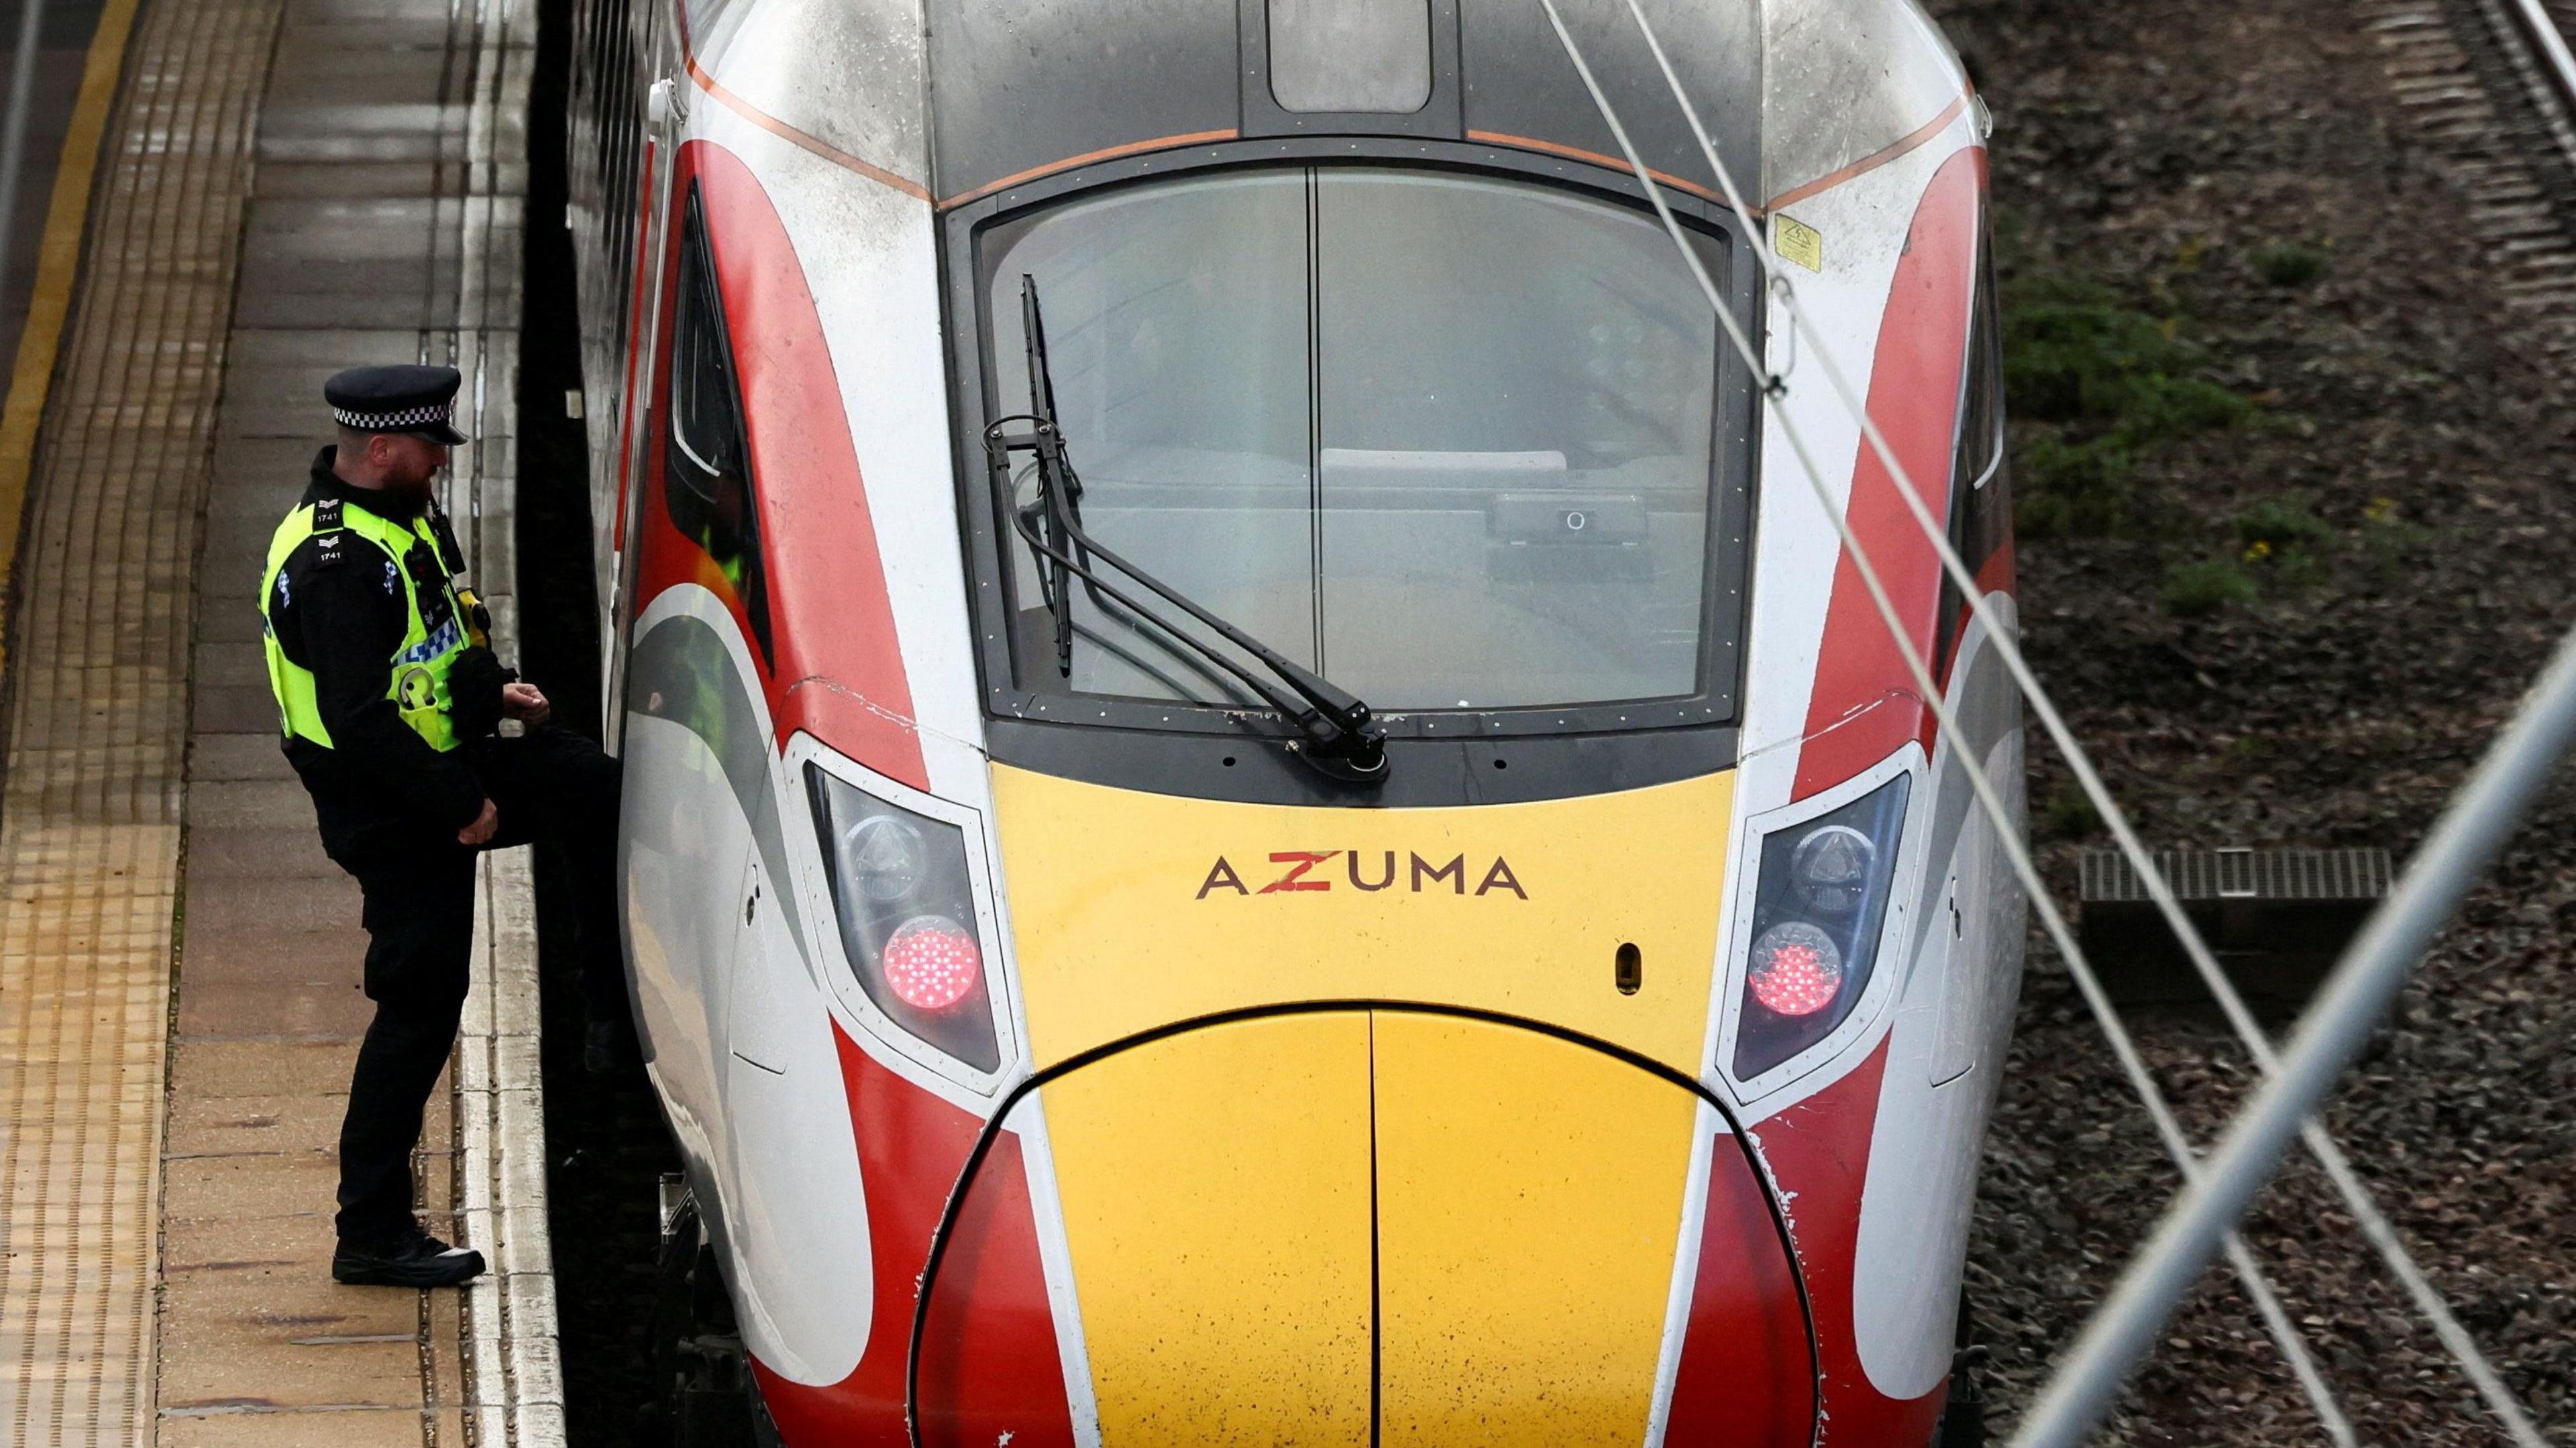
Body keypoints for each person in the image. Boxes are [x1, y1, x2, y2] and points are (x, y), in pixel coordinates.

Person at [258, 364, 629, 1288]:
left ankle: (610, 1015)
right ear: (383, 450)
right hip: (392, 806)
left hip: (438, 768)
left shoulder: (401, 517)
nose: (440, 461)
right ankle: (371, 1231)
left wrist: (492, 691)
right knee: (417, 1010)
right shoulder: (335, 562)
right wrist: (462, 806)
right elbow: (356, 717)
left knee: (590, 780)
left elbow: (428, 649)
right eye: (430, 447)